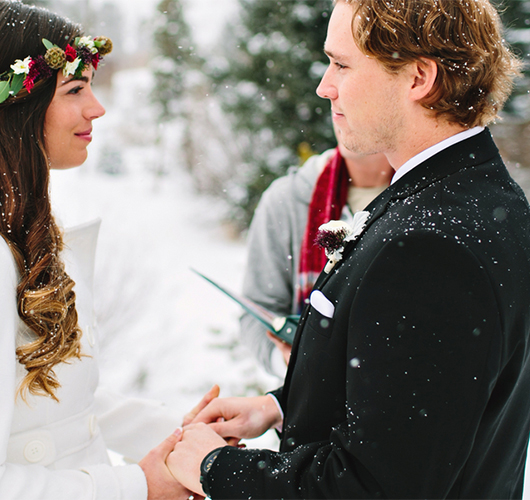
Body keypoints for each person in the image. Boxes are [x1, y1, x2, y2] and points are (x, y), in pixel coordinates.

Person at [167, 0, 530, 498]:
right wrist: (279, 405)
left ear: (419, 77)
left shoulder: (428, 246)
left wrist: (214, 469)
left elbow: (371, 486)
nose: (324, 86)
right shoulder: (480, 196)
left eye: (341, 63)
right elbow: (433, 405)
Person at [0, 2, 204, 498]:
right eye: (75, 90)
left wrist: (180, 435)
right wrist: (136, 486)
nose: (97, 108)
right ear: (18, 106)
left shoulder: (15, 219)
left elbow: (54, 403)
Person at [240, 129, 392, 375]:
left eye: (347, 88)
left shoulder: (429, 196)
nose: (327, 91)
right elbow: (257, 311)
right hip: (308, 407)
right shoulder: (286, 201)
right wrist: (288, 363)